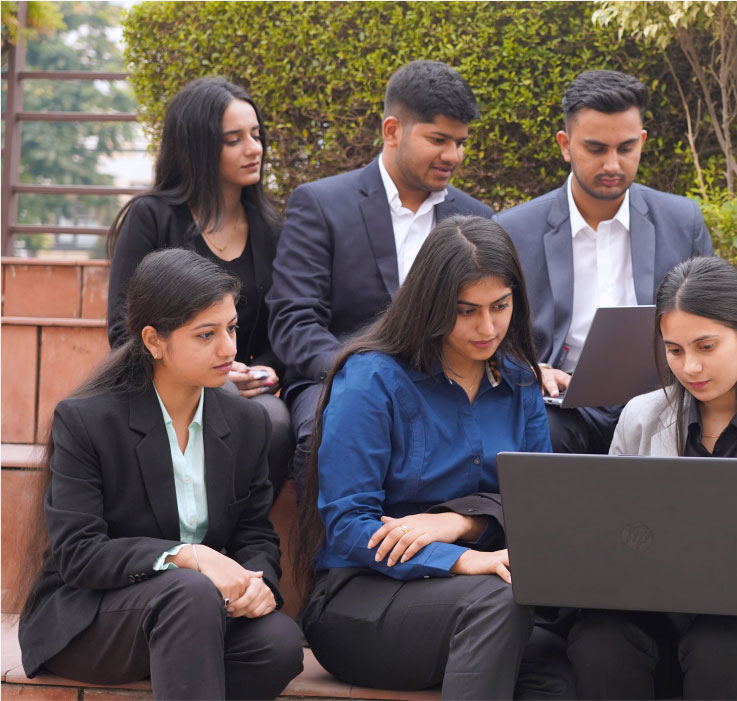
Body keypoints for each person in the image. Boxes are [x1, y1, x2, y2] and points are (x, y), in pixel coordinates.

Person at [17, 248, 303, 700]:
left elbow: (255, 533)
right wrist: (187, 555)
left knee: (279, 645)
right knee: (187, 594)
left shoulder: (247, 422)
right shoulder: (88, 421)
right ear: (154, 340)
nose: (229, 348)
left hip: (194, 611)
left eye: (230, 328)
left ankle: (182, 667)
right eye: (205, 334)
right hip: (94, 617)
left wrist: (258, 583)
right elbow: (79, 555)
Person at [292, 216, 551, 699]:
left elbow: (539, 505)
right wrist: (458, 560)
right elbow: (349, 525)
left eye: (501, 306)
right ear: (431, 305)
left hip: (487, 589)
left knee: (575, 656)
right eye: (466, 310)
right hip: (361, 599)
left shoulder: (519, 382)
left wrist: (461, 525)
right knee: (501, 602)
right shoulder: (372, 380)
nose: (488, 326)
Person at [564, 256, 737, 699]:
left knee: (722, 647)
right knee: (600, 640)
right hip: (650, 607)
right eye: (674, 350)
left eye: (706, 346)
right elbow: (608, 526)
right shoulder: (640, 416)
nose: (689, 367)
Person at [268, 60, 494, 489]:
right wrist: (368, 376)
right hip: (336, 380)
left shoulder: (473, 217)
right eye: (439, 139)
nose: (454, 156)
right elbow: (294, 323)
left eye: (460, 143)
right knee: (329, 428)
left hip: (447, 380)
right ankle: (334, 556)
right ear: (392, 131)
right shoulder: (321, 204)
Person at [495, 70, 714, 456]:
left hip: (665, 395)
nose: (613, 164)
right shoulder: (514, 230)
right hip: (560, 402)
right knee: (541, 431)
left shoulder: (681, 221)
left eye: (626, 148)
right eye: (596, 149)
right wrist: (530, 369)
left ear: (642, 141)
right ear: (565, 145)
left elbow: (714, 317)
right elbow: (488, 329)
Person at [105, 77, 293, 497]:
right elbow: (124, 329)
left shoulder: (271, 229)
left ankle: (237, 536)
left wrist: (258, 372)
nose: (254, 148)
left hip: (237, 388)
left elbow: (274, 332)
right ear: (198, 147)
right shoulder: (152, 217)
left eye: (256, 135)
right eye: (234, 139)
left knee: (276, 420)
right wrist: (206, 377)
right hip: (159, 384)